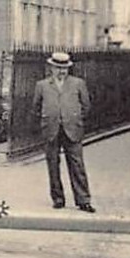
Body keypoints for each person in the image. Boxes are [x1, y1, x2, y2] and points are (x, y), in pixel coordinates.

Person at [34, 51, 94, 213]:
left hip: (72, 129)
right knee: (53, 165)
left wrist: (75, 119)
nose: (61, 71)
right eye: (58, 68)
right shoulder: (42, 85)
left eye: (65, 68)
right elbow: (36, 107)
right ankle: (58, 199)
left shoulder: (78, 84)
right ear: (51, 68)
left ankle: (83, 200)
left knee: (77, 165)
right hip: (51, 129)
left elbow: (86, 106)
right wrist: (47, 119)